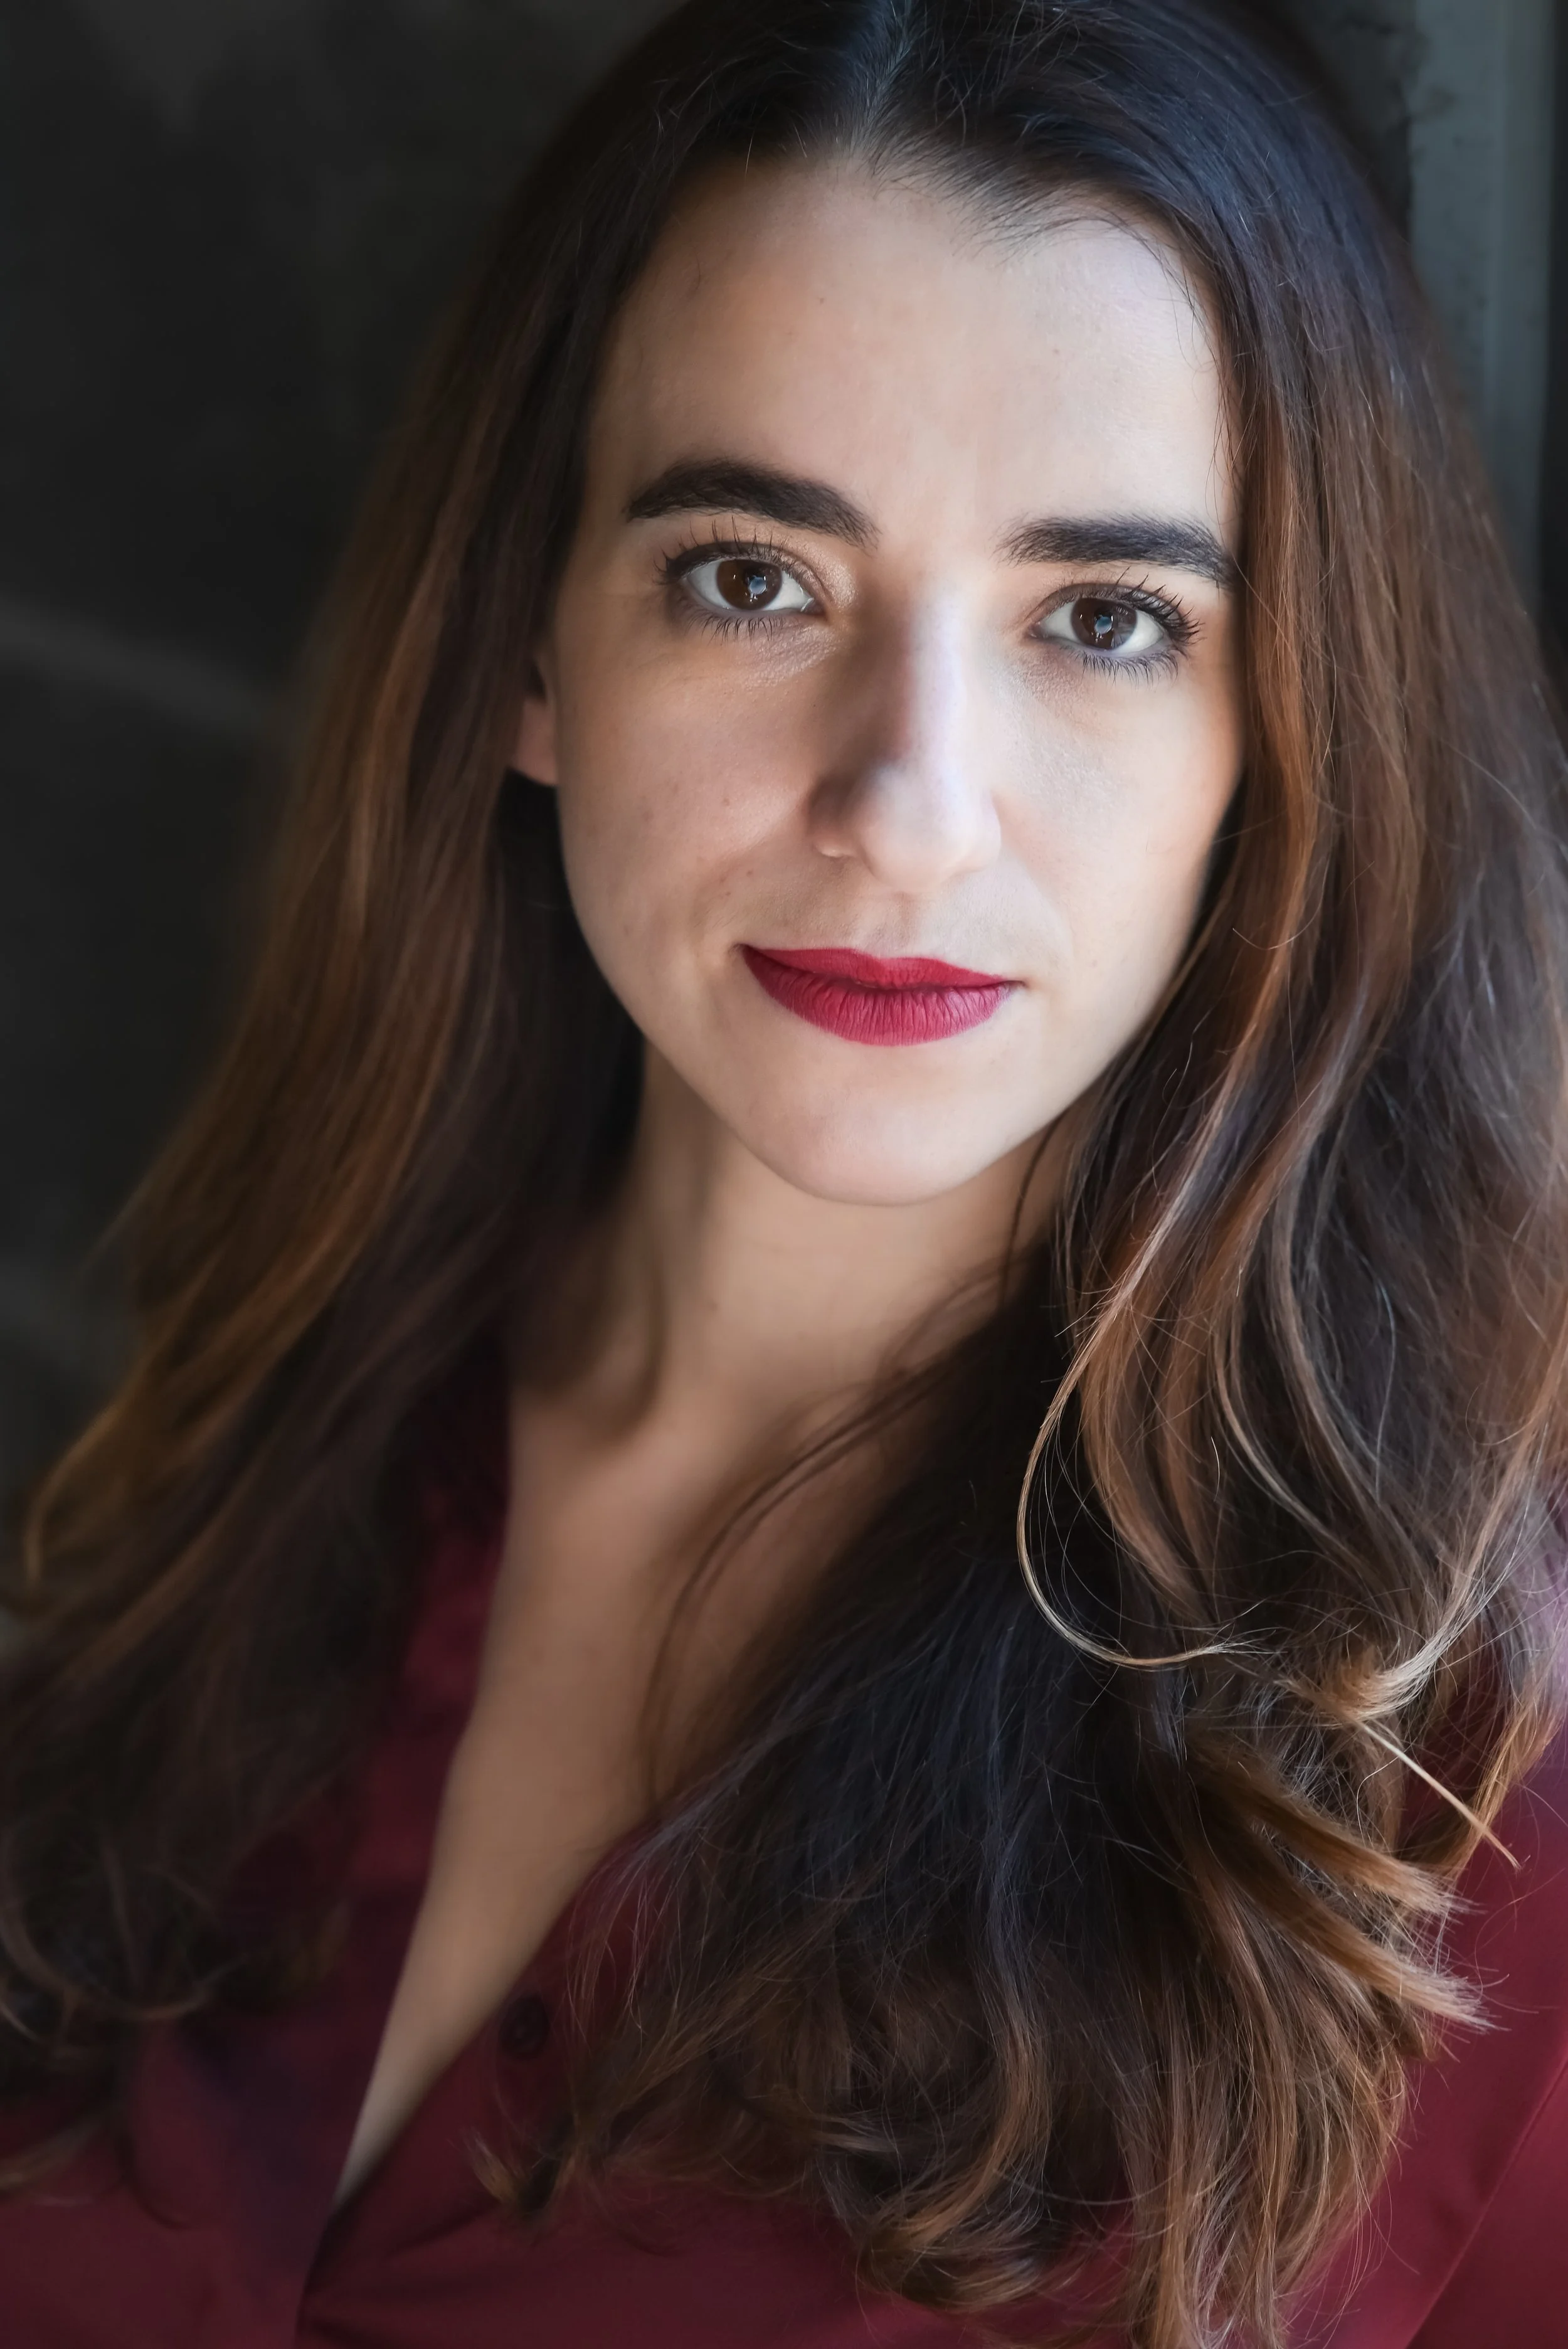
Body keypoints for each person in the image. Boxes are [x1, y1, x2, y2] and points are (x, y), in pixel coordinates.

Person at [3, 1, 1565, 2342]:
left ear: (1285, 745)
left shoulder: (1457, 1811)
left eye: (1106, 623)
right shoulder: (240, 1440)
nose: (906, 806)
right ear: (531, 649)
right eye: (753, 576)